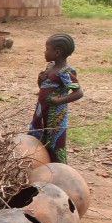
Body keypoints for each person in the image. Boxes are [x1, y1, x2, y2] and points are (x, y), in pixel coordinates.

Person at [28, 34, 84, 164]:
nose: (44, 51)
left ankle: (58, 170)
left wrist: (58, 101)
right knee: (36, 135)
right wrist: (39, 80)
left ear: (57, 52)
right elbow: (44, 87)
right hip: (41, 111)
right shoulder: (50, 66)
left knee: (54, 142)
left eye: (47, 49)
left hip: (56, 115)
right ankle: (38, 163)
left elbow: (78, 92)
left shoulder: (65, 72)